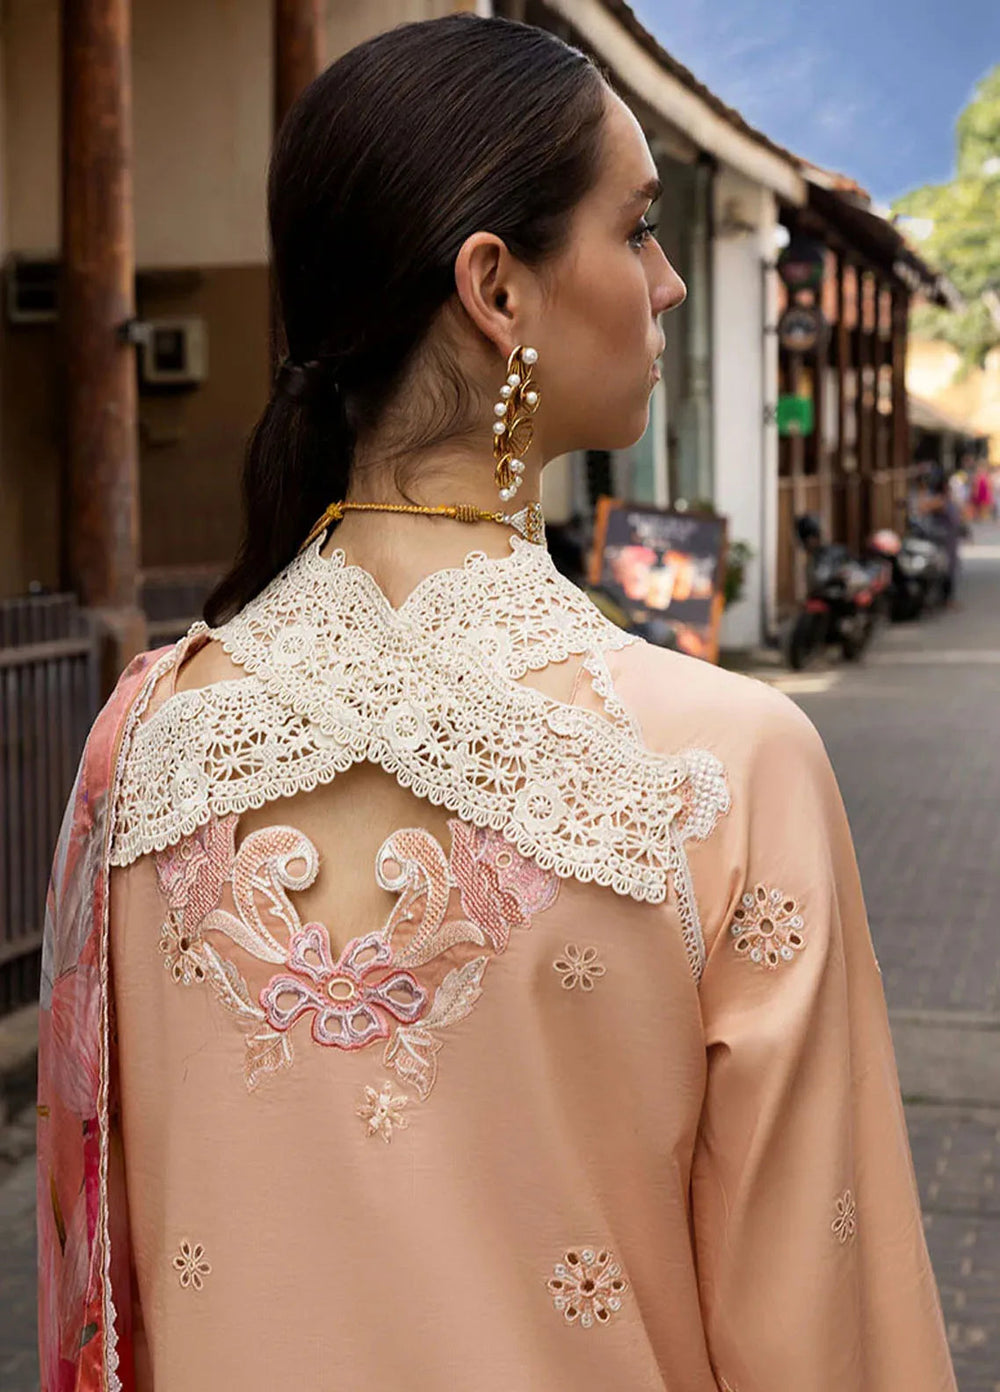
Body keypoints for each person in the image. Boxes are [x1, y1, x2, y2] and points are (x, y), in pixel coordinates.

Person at [36, 14, 957, 1391]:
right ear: (497, 288)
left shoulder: (143, 747)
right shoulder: (713, 766)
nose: (669, 285)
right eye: (636, 229)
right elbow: (824, 1330)